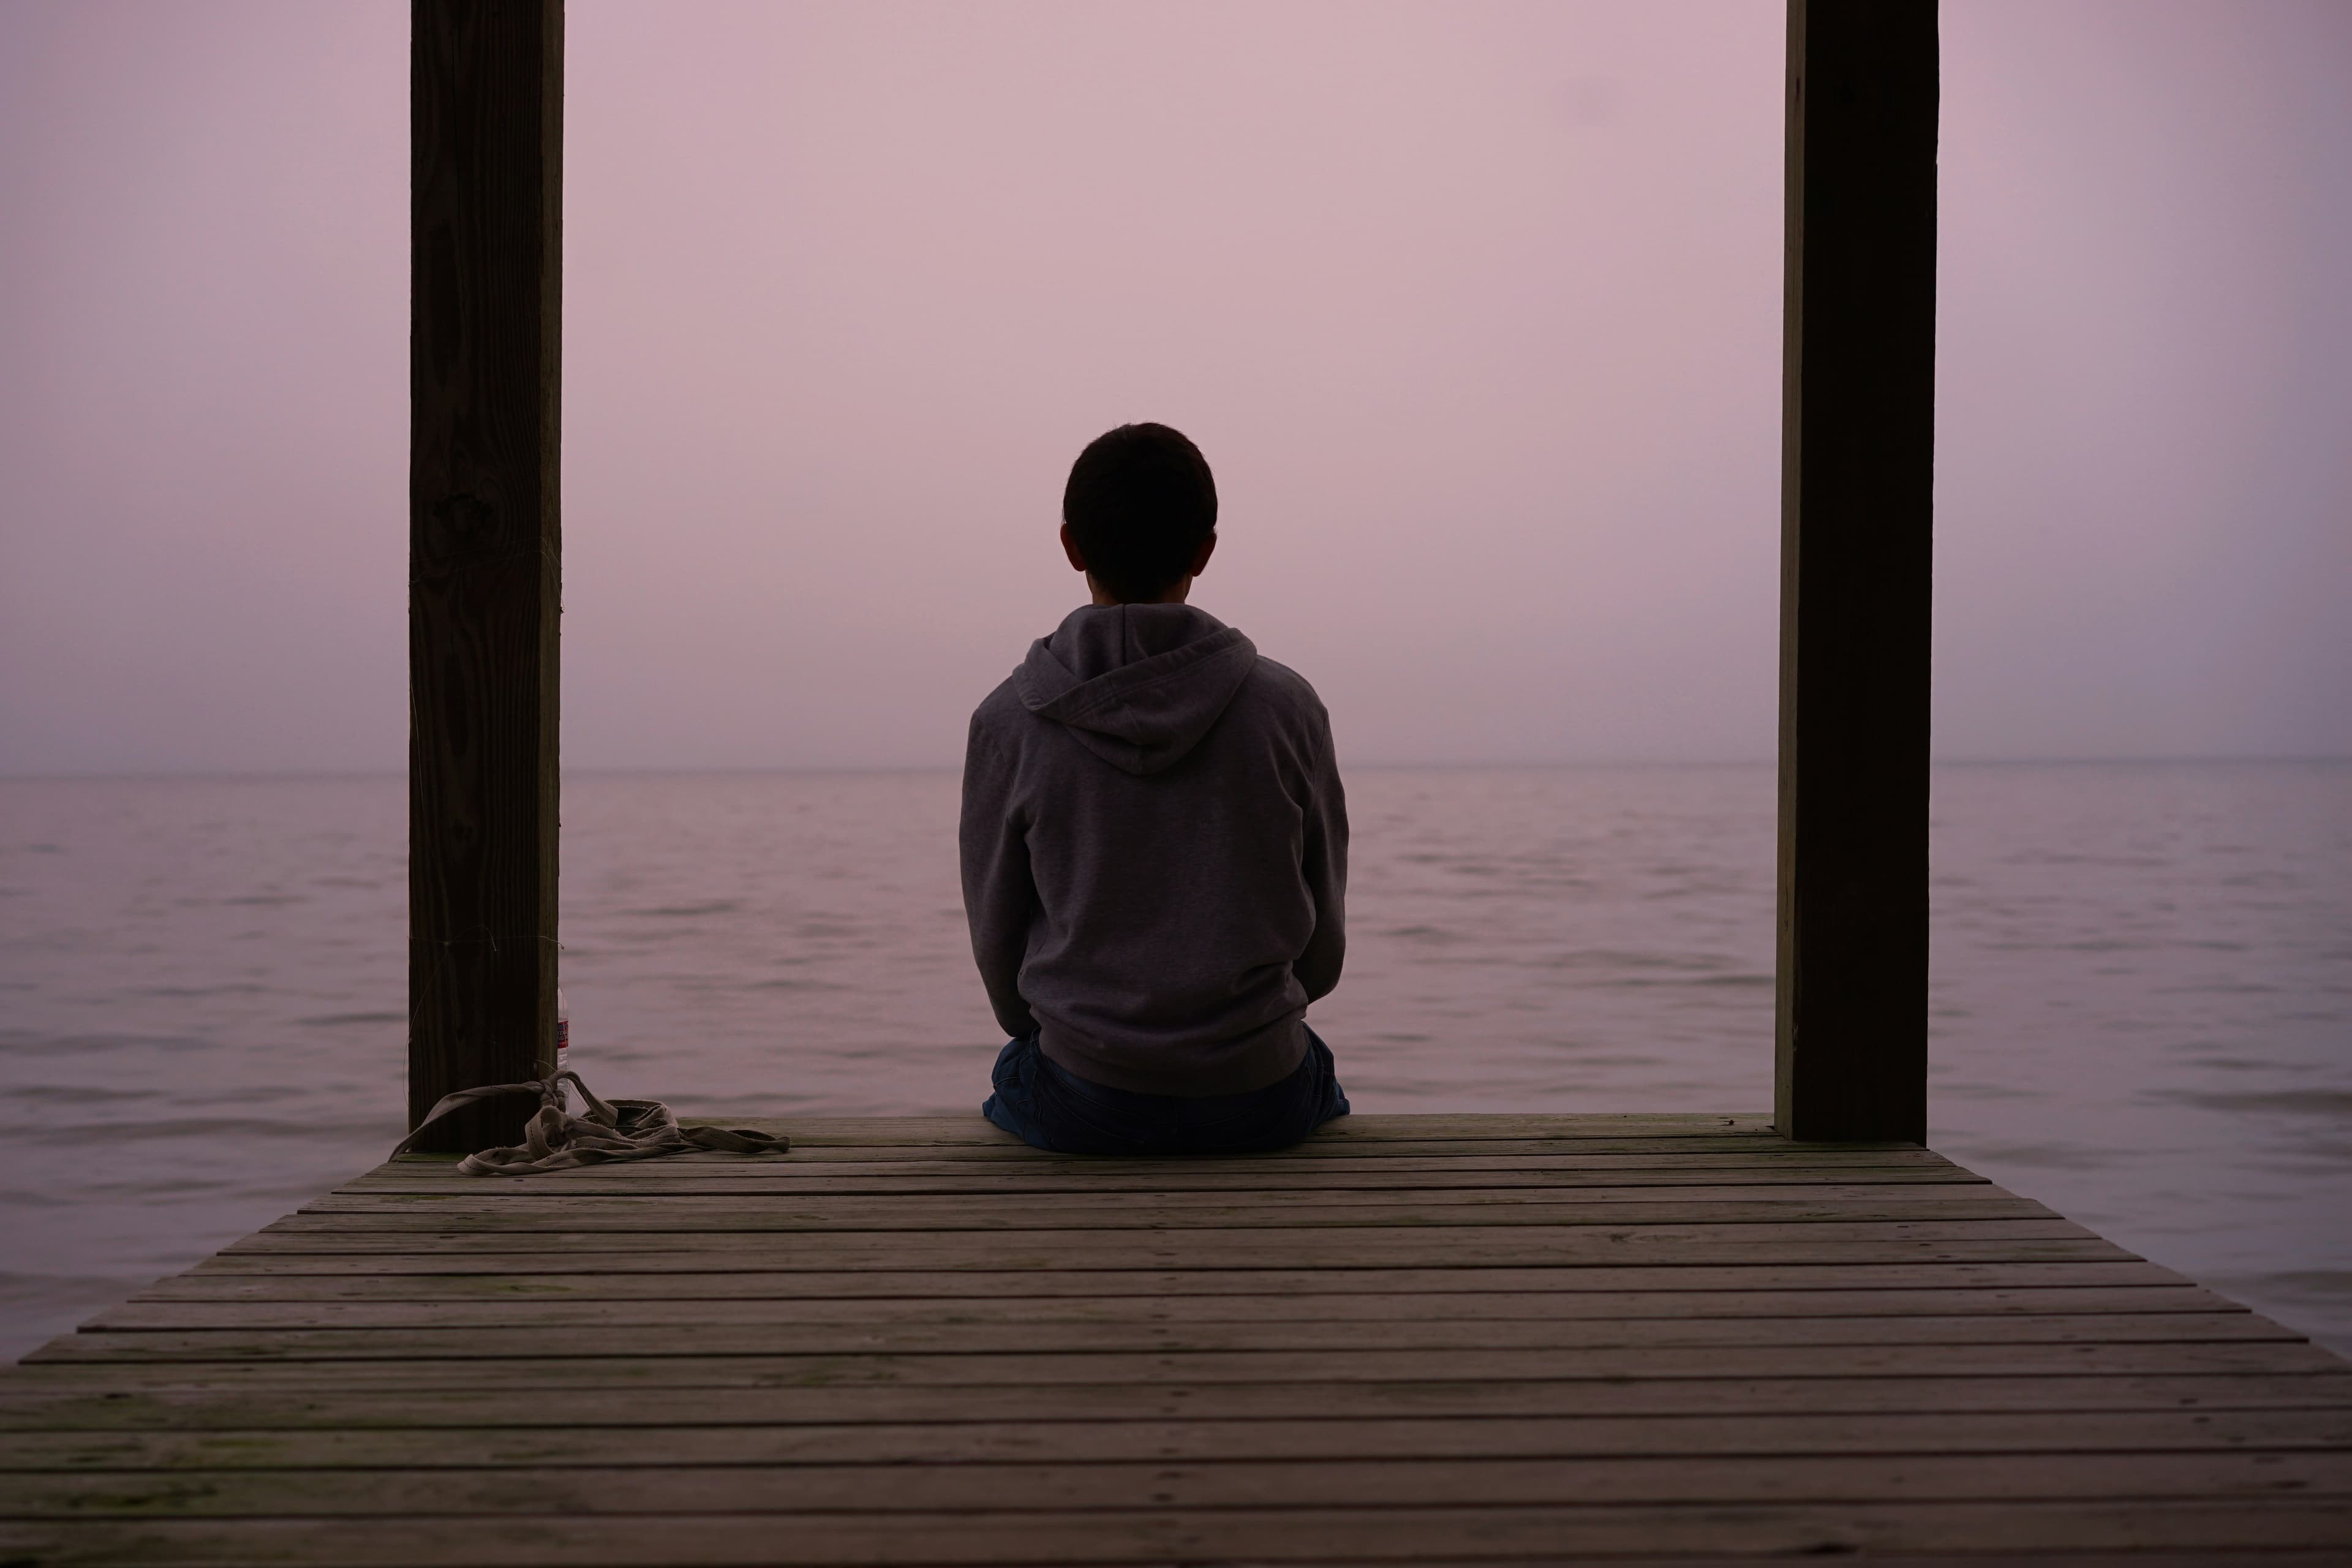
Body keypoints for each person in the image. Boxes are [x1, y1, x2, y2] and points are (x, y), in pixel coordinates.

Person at [960, 422, 1351, 1156]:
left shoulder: (1006, 721)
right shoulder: (1289, 708)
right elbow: (1321, 951)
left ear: (1072, 546)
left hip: (1086, 1098)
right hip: (1256, 1095)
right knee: (1308, 1062)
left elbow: (1000, 951)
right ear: (1205, 549)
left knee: (1019, 1067)